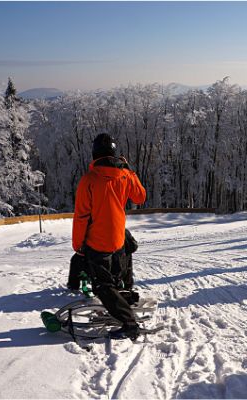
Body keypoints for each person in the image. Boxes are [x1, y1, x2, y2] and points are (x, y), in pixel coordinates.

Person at [72, 134, 148, 340]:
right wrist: (130, 171)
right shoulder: (124, 176)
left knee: (102, 285)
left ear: (95, 154)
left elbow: (81, 216)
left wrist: (78, 245)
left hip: (97, 241)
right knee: (114, 278)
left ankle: (128, 322)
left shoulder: (89, 180)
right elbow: (140, 197)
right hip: (118, 238)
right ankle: (124, 300)